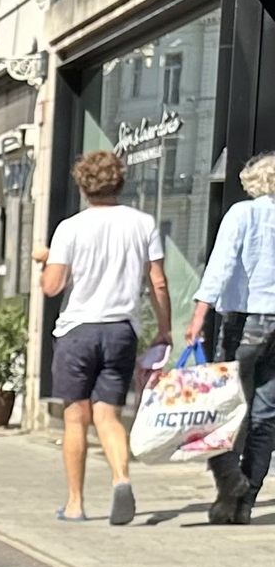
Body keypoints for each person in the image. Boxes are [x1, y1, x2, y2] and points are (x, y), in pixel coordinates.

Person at [35, 149, 169, 524]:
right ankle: (121, 478)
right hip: (121, 330)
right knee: (108, 415)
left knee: (76, 417)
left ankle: (75, 504)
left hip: (78, 330)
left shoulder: (70, 228)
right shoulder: (142, 224)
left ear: (83, 185)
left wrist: (44, 261)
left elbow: (52, 286)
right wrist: (164, 328)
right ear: (119, 182)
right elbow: (157, 281)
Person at [186, 150, 275, 524]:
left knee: (221, 404)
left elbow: (220, 265)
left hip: (245, 318)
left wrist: (198, 316)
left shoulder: (243, 213)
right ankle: (244, 503)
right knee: (266, 413)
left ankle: (230, 481)